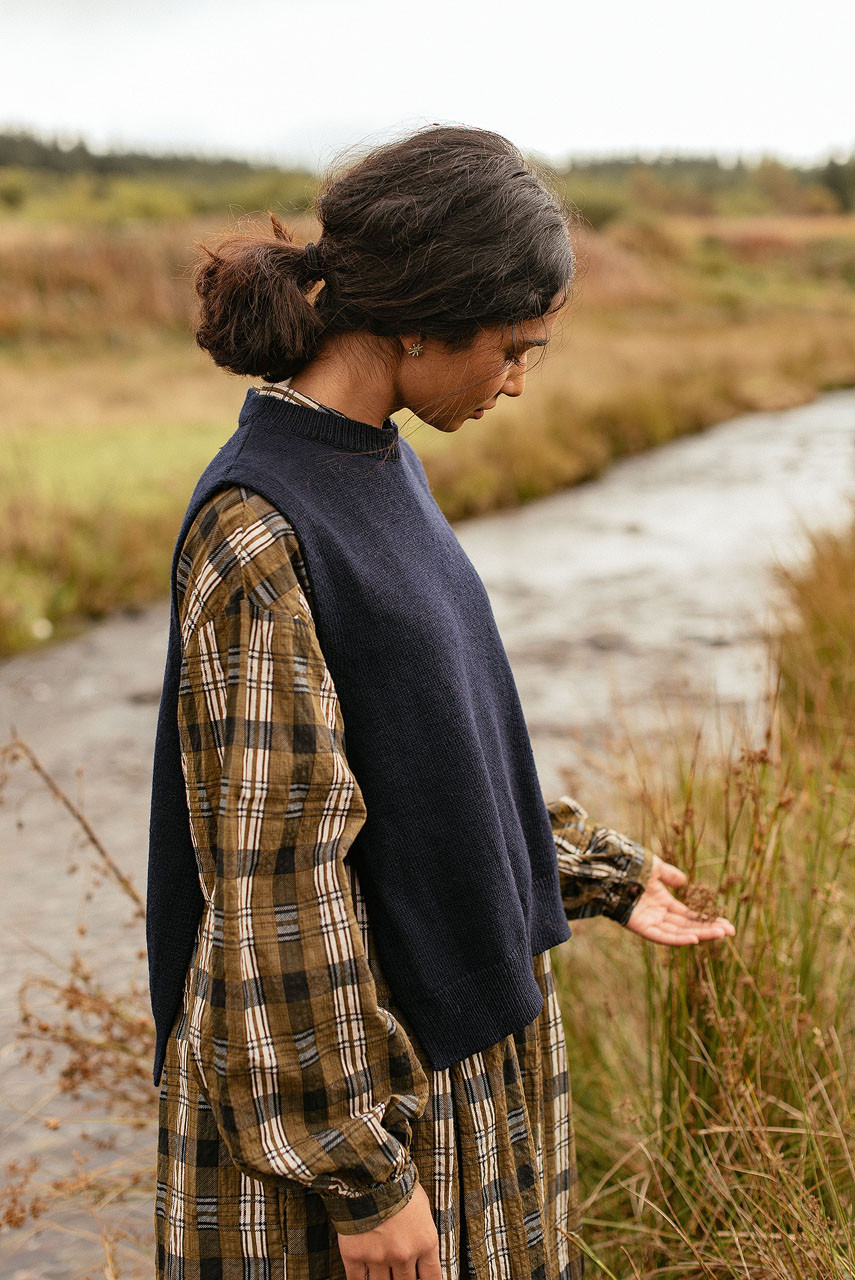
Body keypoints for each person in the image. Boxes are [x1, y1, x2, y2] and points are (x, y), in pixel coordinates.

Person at [148, 123, 735, 1280]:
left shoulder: (378, 459)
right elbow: (279, 879)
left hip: (450, 1046)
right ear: (419, 321)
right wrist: (360, 1171)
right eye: (513, 349)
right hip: (364, 1099)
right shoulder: (258, 526)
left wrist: (595, 869)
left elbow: (427, 749)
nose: (516, 379)